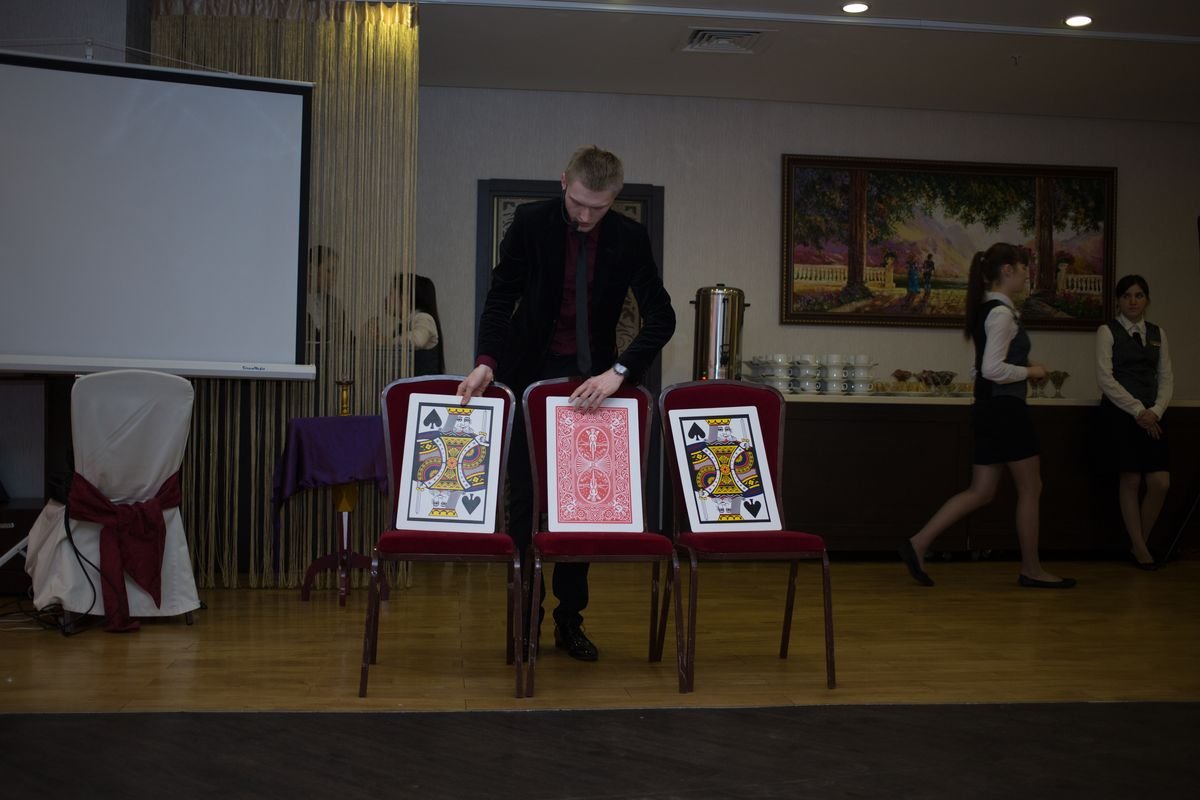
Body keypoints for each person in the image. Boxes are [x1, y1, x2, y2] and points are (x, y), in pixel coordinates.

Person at [457, 145, 676, 661]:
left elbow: (662, 317)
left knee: (584, 510)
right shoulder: (531, 223)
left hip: (591, 387)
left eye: (598, 207)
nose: (584, 215)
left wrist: (619, 372)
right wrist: (487, 360)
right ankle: (524, 619)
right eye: (578, 202)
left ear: (614, 198)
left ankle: (569, 620)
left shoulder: (629, 237)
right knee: (525, 502)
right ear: (563, 182)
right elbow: (500, 297)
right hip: (527, 379)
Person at [899, 243, 1075, 589]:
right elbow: (992, 369)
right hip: (1006, 411)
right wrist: (1031, 371)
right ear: (1007, 270)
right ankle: (1032, 569)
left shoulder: (988, 310)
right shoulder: (1002, 314)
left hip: (988, 409)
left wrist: (1020, 370)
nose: (1026, 275)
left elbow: (979, 368)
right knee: (1031, 488)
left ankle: (917, 543)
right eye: (1023, 268)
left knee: (981, 491)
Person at [1095, 275, 1173, 569]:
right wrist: (1138, 410)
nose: (1132, 301)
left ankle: (1138, 543)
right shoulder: (1107, 331)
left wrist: (1156, 410)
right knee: (1130, 480)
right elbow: (1105, 379)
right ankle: (1141, 550)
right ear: (1118, 300)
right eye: (1126, 295)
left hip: (1153, 416)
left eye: (1138, 295)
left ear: (1147, 300)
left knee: (1160, 482)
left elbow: (1166, 377)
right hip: (1121, 414)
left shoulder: (1157, 333)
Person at [361, 272, 441, 377]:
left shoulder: (423, 317)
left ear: (405, 298)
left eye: (391, 293)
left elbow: (418, 340)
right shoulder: (403, 325)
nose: (386, 298)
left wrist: (386, 342)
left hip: (422, 386)